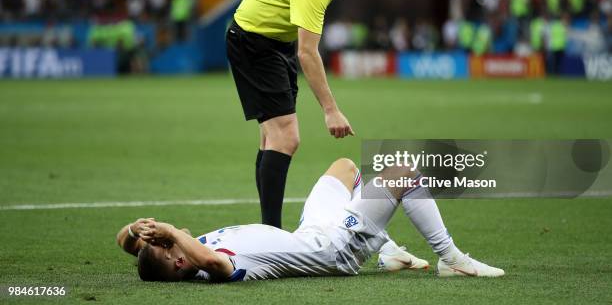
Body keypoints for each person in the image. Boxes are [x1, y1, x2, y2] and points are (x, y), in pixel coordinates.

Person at [117, 158, 504, 282]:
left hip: (309, 232)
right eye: (164, 246)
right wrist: (169, 233)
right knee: (402, 174)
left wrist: (138, 232)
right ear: (179, 260)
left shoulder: (186, 249)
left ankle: (387, 248)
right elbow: (212, 263)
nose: (163, 238)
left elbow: (125, 243)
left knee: (345, 168)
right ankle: (450, 258)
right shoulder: (209, 264)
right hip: (333, 249)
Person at [225, 0, 378, 229]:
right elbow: (307, 52)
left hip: (273, 39)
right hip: (255, 42)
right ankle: (272, 235)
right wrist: (331, 111)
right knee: (286, 137)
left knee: (272, 137)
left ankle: (268, 231)